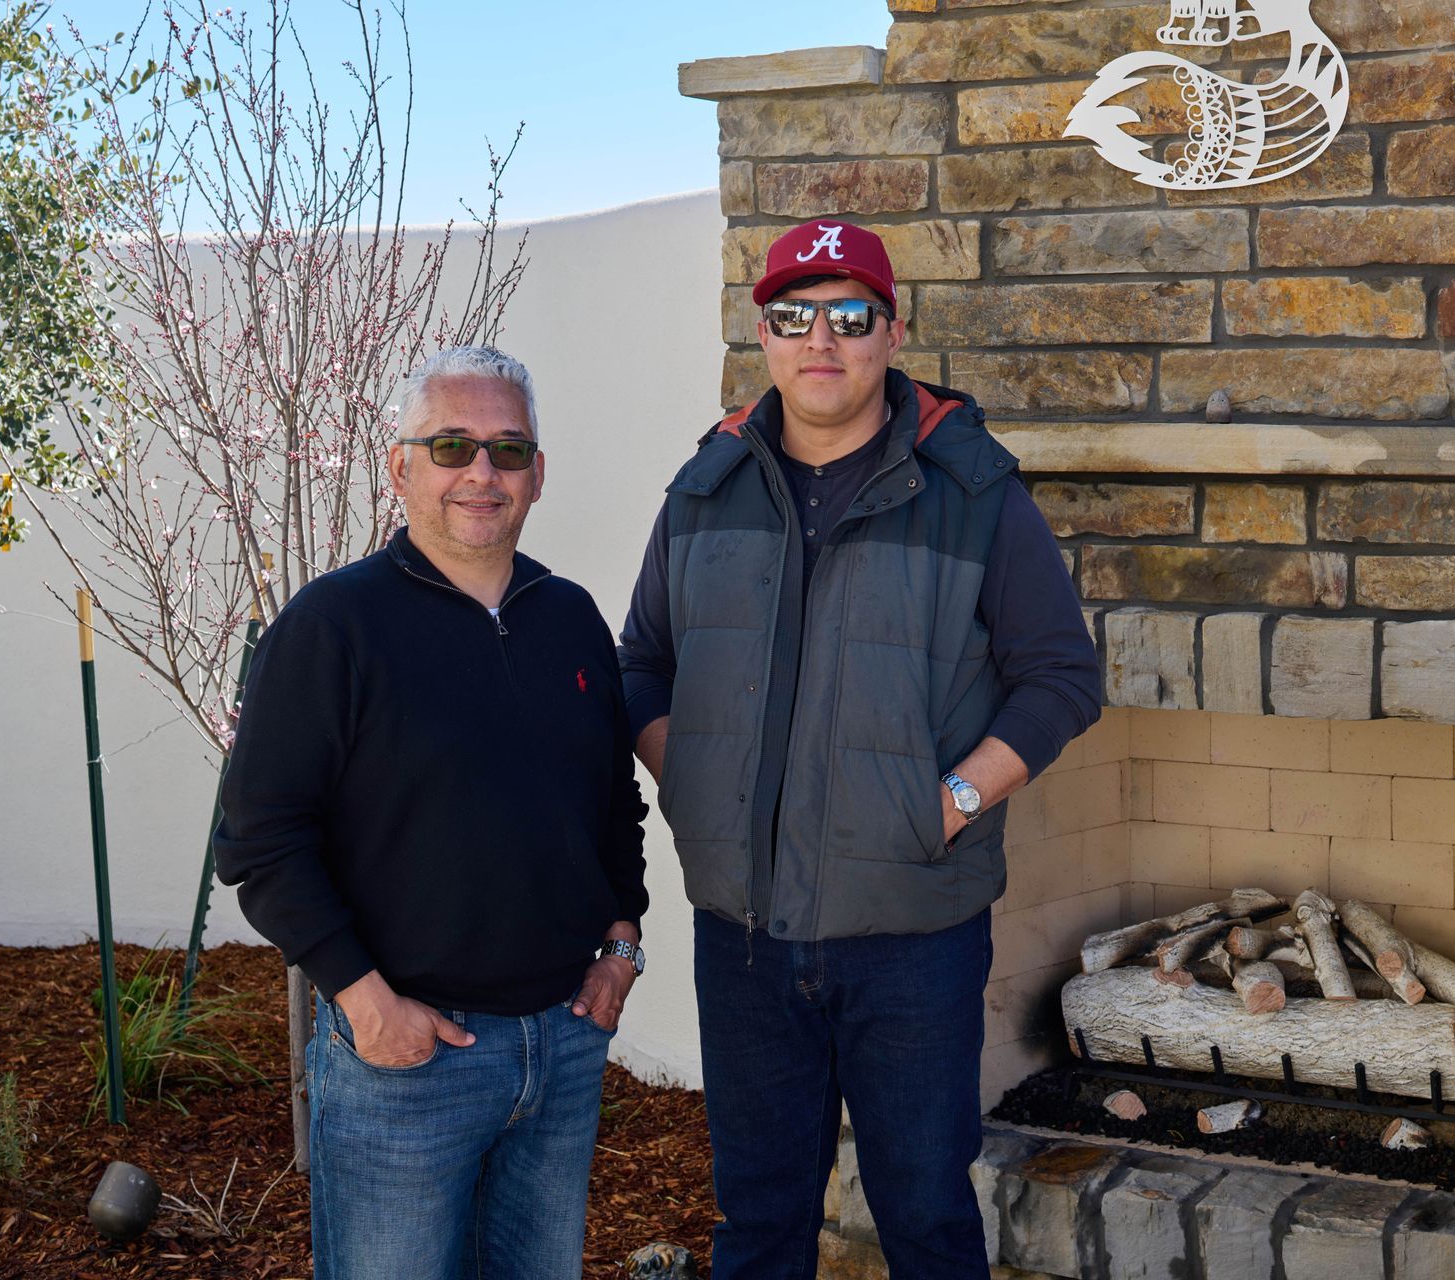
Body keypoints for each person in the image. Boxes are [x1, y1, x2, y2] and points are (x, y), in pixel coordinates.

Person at [618, 220, 1103, 1278]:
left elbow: (1062, 676)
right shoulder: (704, 490)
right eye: (796, 316)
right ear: (765, 335)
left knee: (925, 1216)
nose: (821, 340)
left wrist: (953, 801)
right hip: (743, 933)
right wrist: (691, 773)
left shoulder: (973, 493)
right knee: (758, 1223)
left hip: (912, 936)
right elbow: (641, 663)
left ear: (890, 331)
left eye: (850, 315)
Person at [215, 346, 649, 1280]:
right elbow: (259, 842)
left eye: (508, 449)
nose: (481, 473)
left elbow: (613, 798)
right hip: (406, 1063)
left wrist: (621, 942)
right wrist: (364, 1002)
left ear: (540, 473)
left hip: (564, 1045)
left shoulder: (570, 618)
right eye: (451, 446)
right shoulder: (333, 626)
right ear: (400, 466)